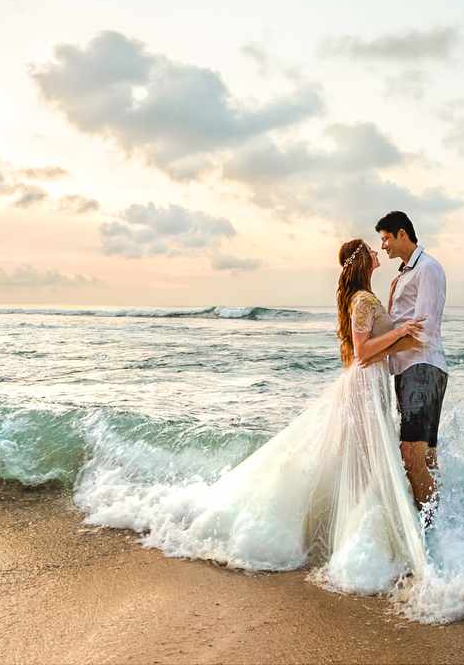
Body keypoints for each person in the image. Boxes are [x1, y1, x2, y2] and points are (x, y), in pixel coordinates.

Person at [146, 238, 428, 594]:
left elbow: (375, 344)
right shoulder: (360, 300)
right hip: (364, 385)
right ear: (362, 261)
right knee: (364, 459)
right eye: (371, 249)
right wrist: (403, 331)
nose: (377, 251)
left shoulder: (366, 297)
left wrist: (403, 329)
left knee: (362, 458)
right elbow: (362, 352)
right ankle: (360, 544)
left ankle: (362, 535)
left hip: (372, 384)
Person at [376, 210, 448, 513]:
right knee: (426, 457)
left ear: (402, 234)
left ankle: (431, 530)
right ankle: (443, 526)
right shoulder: (404, 274)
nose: (383, 246)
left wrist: (378, 352)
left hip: (422, 367)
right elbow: (399, 323)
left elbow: (425, 330)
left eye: (386, 238)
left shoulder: (427, 268)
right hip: (408, 370)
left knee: (410, 454)